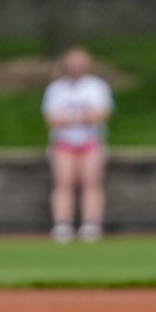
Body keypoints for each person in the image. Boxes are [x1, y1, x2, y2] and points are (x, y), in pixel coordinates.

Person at [41, 46, 113, 242]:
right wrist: (82, 117)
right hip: (63, 143)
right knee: (63, 182)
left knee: (91, 182)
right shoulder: (56, 88)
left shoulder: (97, 87)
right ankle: (62, 224)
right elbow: (52, 119)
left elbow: (101, 115)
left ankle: (91, 224)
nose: (76, 66)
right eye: (72, 62)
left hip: (90, 142)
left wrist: (71, 117)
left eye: (80, 62)